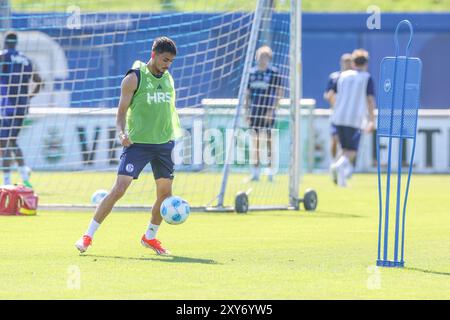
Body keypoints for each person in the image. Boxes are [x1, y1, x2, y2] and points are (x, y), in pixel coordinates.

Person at [75, 36, 182, 255]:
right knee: (119, 189)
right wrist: (122, 132)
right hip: (138, 145)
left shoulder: (168, 78)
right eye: (164, 59)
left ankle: (150, 237)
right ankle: (87, 236)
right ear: (153, 55)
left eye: (171, 61)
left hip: (164, 145)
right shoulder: (134, 78)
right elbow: (121, 113)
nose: (167, 65)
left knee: (164, 195)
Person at [0, 31, 42, 187]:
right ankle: (24, 178)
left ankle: (6, 182)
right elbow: (39, 81)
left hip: (7, 106)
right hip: (22, 106)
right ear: (16, 42)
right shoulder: (26, 60)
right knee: (11, 141)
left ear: (5, 42)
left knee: (5, 142)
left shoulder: (3, 56)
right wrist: (29, 96)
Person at [329, 49, 376, 187]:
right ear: (366, 63)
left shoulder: (342, 76)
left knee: (344, 149)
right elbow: (370, 100)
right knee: (352, 151)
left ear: (354, 62)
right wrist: (372, 120)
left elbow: (333, 95)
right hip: (355, 118)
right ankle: (337, 165)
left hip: (338, 116)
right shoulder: (366, 78)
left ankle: (342, 181)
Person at [244, 45, 283, 182]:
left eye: (266, 56)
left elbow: (279, 93)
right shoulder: (252, 73)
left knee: (269, 142)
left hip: (268, 112)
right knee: (255, 142)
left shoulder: (273, 73)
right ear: (257, 57)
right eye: (261, 56)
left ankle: (271, 172)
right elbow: (247, 94)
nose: (263, 59)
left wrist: (272, 110)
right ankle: (255, 173)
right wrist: (246, 111)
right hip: (255, 112)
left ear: (270, 58)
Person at [323, 53, 352, 164]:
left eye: (349, 62)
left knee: (346, 143)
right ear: (341, 63)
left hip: (350, 114)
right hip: (337, 114)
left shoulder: (355, 78)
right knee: (335, 139)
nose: (347, 64)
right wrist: (336, 105)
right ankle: (334, 162)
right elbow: (327, 95)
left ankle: (342, 165)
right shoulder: (335, 77)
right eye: (345, 61)